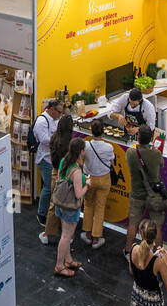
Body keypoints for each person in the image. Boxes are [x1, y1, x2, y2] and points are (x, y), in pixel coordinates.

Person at [124, 126, 167, 255]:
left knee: (133, 223)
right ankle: (159, 254)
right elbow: (161, 164)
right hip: (154, 196)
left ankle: (128, 251)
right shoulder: (156, 153)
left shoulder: (131, 153)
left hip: (137, 194)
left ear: (138, 137)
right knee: (157, 227)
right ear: (151, 138)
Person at [52, 137, 88, 278]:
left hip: (60, 202)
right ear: (81, 152)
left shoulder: (64, 162)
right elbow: (79, 194)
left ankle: (68, 259)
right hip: (70, 206)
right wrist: (88, 185)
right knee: (66, 236)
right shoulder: (77, 171)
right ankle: (59, 266)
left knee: (65, 233)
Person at [38, 114, 74, 246]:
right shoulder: (71, 143)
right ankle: (69, 236)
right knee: (69, 207)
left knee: (53, 205)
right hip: (68, 176)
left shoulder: (53, 139)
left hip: (55, 173)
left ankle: (47, 233)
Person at [79, 118, 114, 250]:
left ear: (91, 130)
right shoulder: (108, 147)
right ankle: (96, 238)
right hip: (104, 179)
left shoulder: (86, 145)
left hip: (89, 179)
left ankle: (87, 234)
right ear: (103, 131)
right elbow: (111, 159)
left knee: (88, 205)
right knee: (100, 208)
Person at [32, 98, 65, 227]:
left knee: (50, 186)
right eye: (58, 112)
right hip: (45, 158)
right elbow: (44, 139)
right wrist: (58, 137)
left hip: (52, 157)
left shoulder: (53, 120)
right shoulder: (42, 121)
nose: (60, 115)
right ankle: (41, 214)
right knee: (47, 187)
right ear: (51, 110)